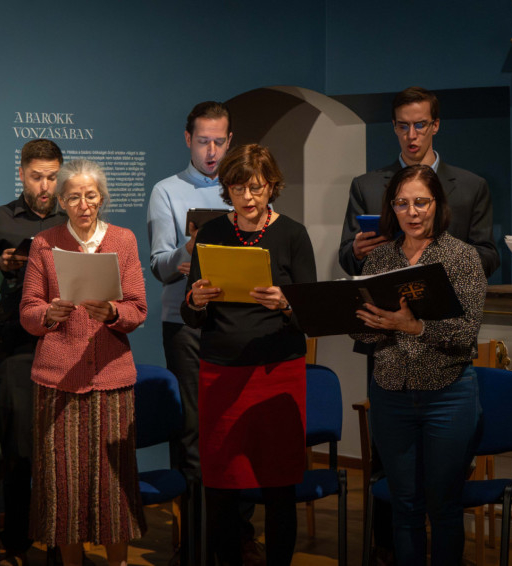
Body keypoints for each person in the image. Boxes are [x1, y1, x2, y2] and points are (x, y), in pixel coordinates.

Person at [183, 144, 316, 566]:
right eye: (238, 188)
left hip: (277, 369)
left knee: (279, 483)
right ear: (227, 190)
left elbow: (312, 314)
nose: (248, 197)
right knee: (221, 482)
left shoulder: (293, 234)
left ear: (272, 186)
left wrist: (286, 303)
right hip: (221, 370)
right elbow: (190, 314)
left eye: (256, 188)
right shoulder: (210, 234)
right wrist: (197, 299)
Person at [351, 164, 486, 566]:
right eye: (402, 203)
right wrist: (368, 323)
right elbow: (362, 334)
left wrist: (414, 326)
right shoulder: (379, 260)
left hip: (447, 395)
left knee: (443, 504)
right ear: (391, 208)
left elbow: (466, 333)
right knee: (405, 504)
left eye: (421, 203)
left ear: (437, 204)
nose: (412, 212)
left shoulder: (461, 257)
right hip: (391, 394)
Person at [20, 159, 147, 566]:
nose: (84, 204)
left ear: (102, 198)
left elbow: (138, 308)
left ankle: (118, 562)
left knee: (113, 482)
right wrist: (48, 314)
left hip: (111, 376)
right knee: (63, 484)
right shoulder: (45, 243)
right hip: (58, 379)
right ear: (61, 201)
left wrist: (112, 312)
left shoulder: (123, 240)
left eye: (91, 196)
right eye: (74, 197)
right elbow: (28, 310)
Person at [147, 100, 234, 564]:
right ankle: (194, 541)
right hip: (185, 325)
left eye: (219, 141)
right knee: (193, 432)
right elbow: (161, 267)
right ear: (188, 139)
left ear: (230, 141)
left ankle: (236, 535)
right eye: (203, 141)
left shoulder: (244, 189)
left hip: (235, 323)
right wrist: (191, 246)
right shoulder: (167, 191)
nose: (211, 151)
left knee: (233, 429)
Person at [0, 138, 66, 562]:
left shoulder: (72, 220)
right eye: (36, 177)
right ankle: (15, 539)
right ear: (22, 174)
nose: (45, 186)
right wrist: (0, 266)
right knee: (17, 448)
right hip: (16, 344)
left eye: (52, 177)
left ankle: (60, 542)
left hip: (65, 342)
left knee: (60, 448)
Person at [339, 86, 498, 279]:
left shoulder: (472, 186)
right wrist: (356, 252)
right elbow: (347, 257)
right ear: (394, 126)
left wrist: (444, 262)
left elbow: (489, 257)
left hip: (450, 293)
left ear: (435, 125)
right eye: (403, 126)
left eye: (420, 125)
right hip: (387, 292)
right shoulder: (366, 187)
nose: (411, 135)